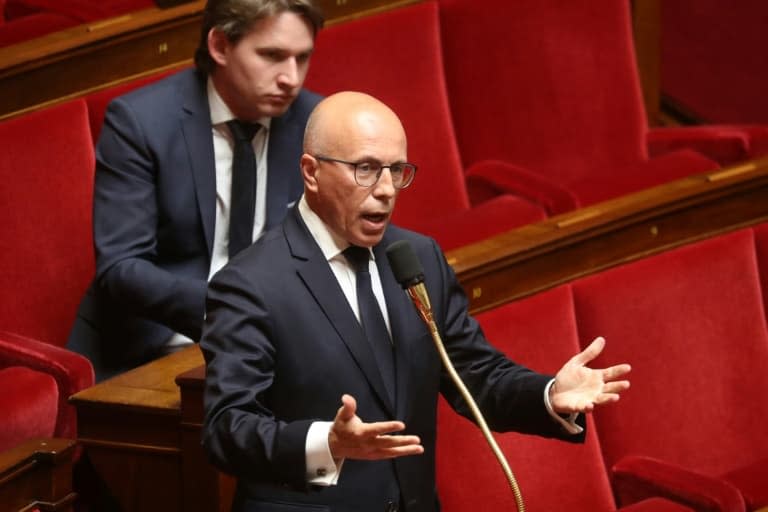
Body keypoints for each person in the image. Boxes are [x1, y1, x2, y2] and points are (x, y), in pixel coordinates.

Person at [200, 91, 632, 512]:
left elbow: (474, 375)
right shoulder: (250, 283)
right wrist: (327, 443)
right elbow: (226, 428)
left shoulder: (417, 257)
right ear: (311, 172)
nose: (387, 189)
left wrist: (548, 393)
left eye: (397, 170)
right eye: (366, 169)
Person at [67, 0, 324, 381]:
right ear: (220, 46)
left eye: (302, 58)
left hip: (270, 347)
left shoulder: (315, 122)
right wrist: (231, 310)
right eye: (272, 56)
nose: (291, 78)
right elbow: (121, 268)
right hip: (153, 349)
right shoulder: (141, 123)